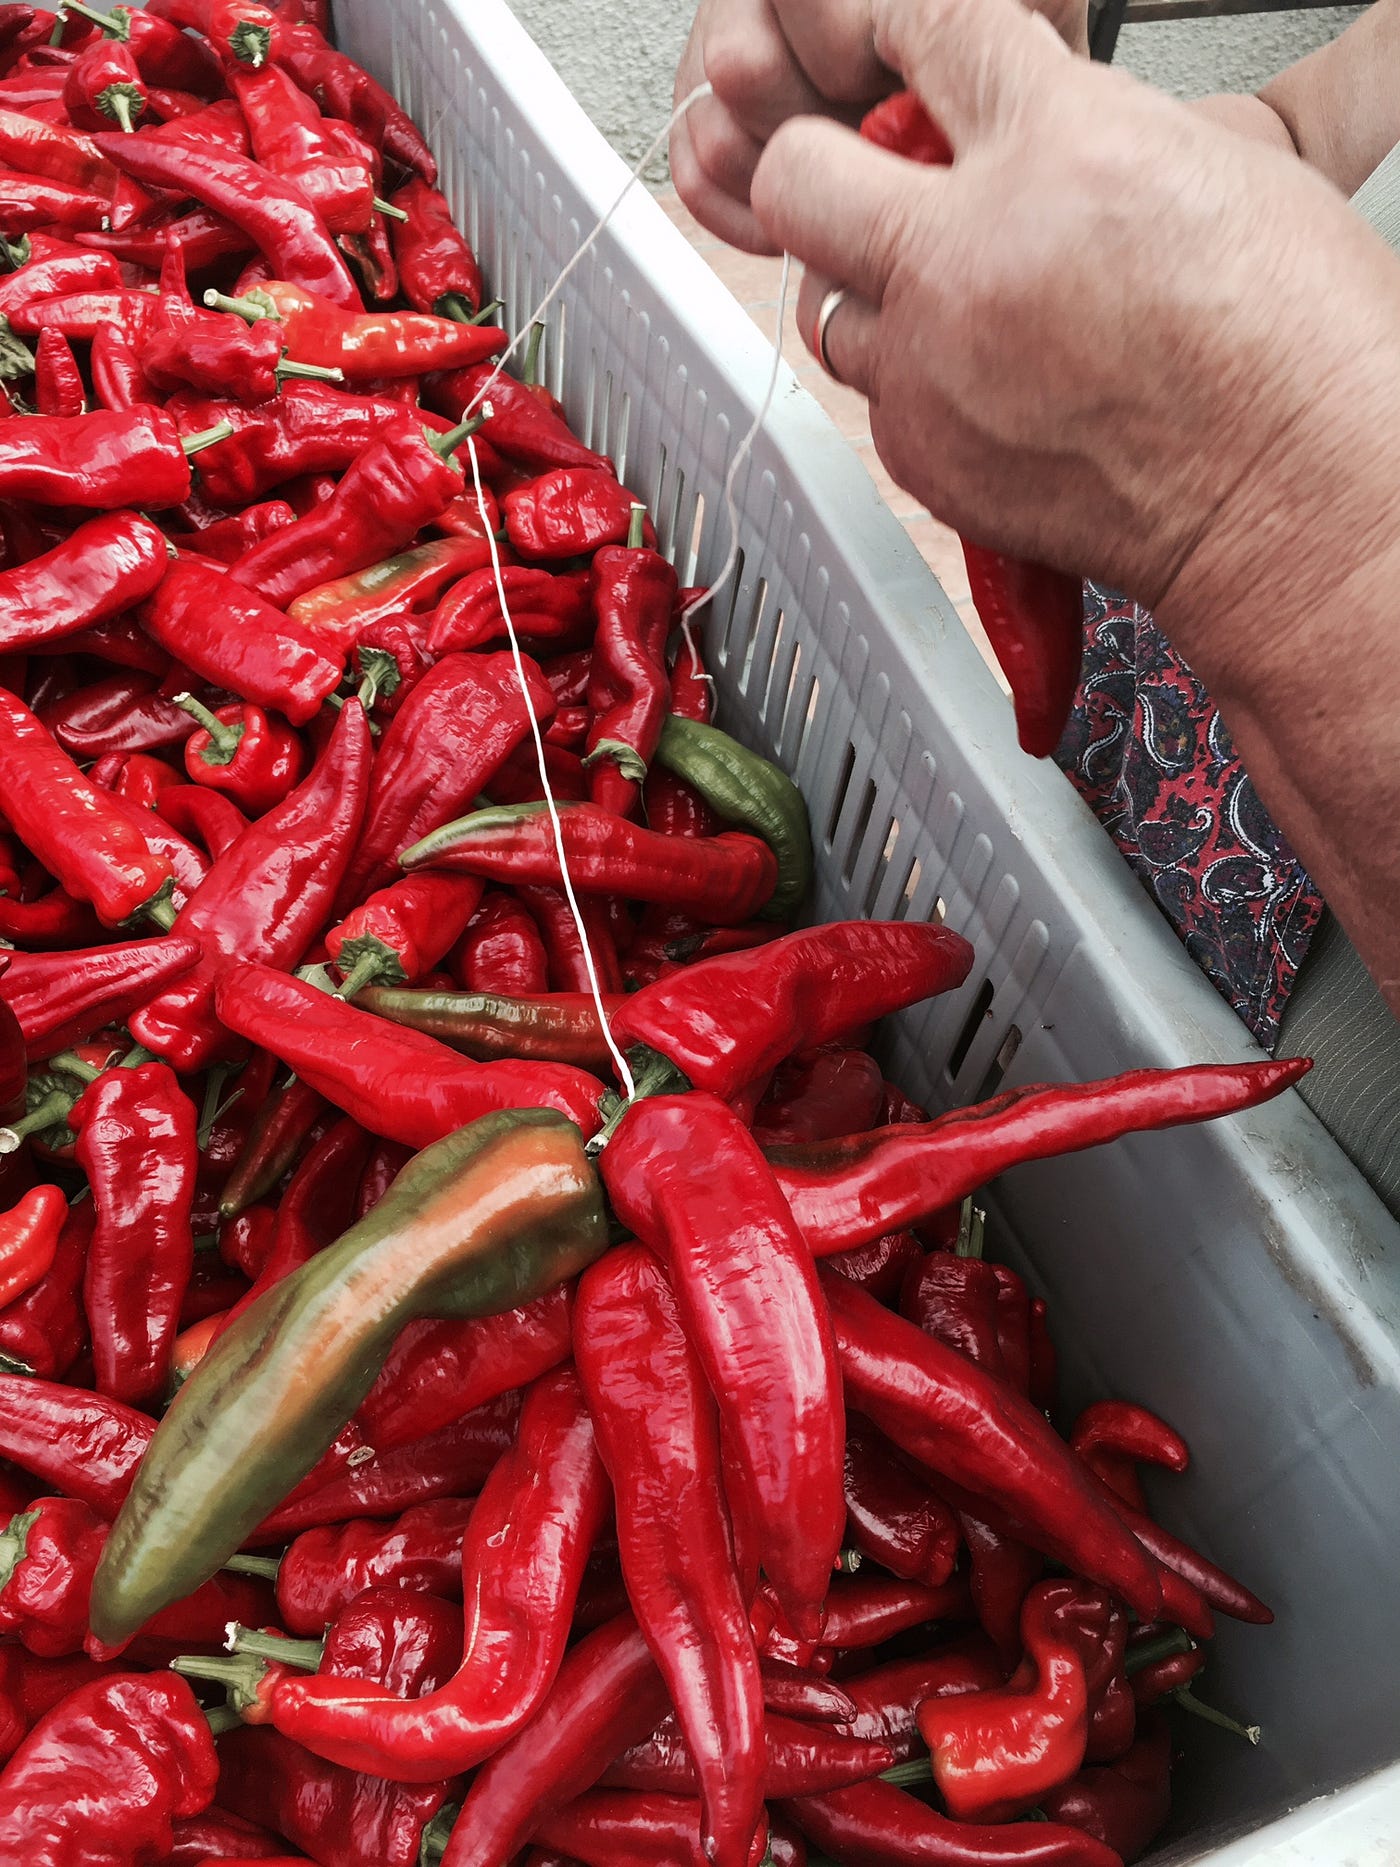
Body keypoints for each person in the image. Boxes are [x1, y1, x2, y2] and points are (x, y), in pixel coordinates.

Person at [672, 0, 1400, 1216]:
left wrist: (1250, 505)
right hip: (1098, 830)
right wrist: (999, 142)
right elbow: (1306, 135)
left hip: (1330, 1237)